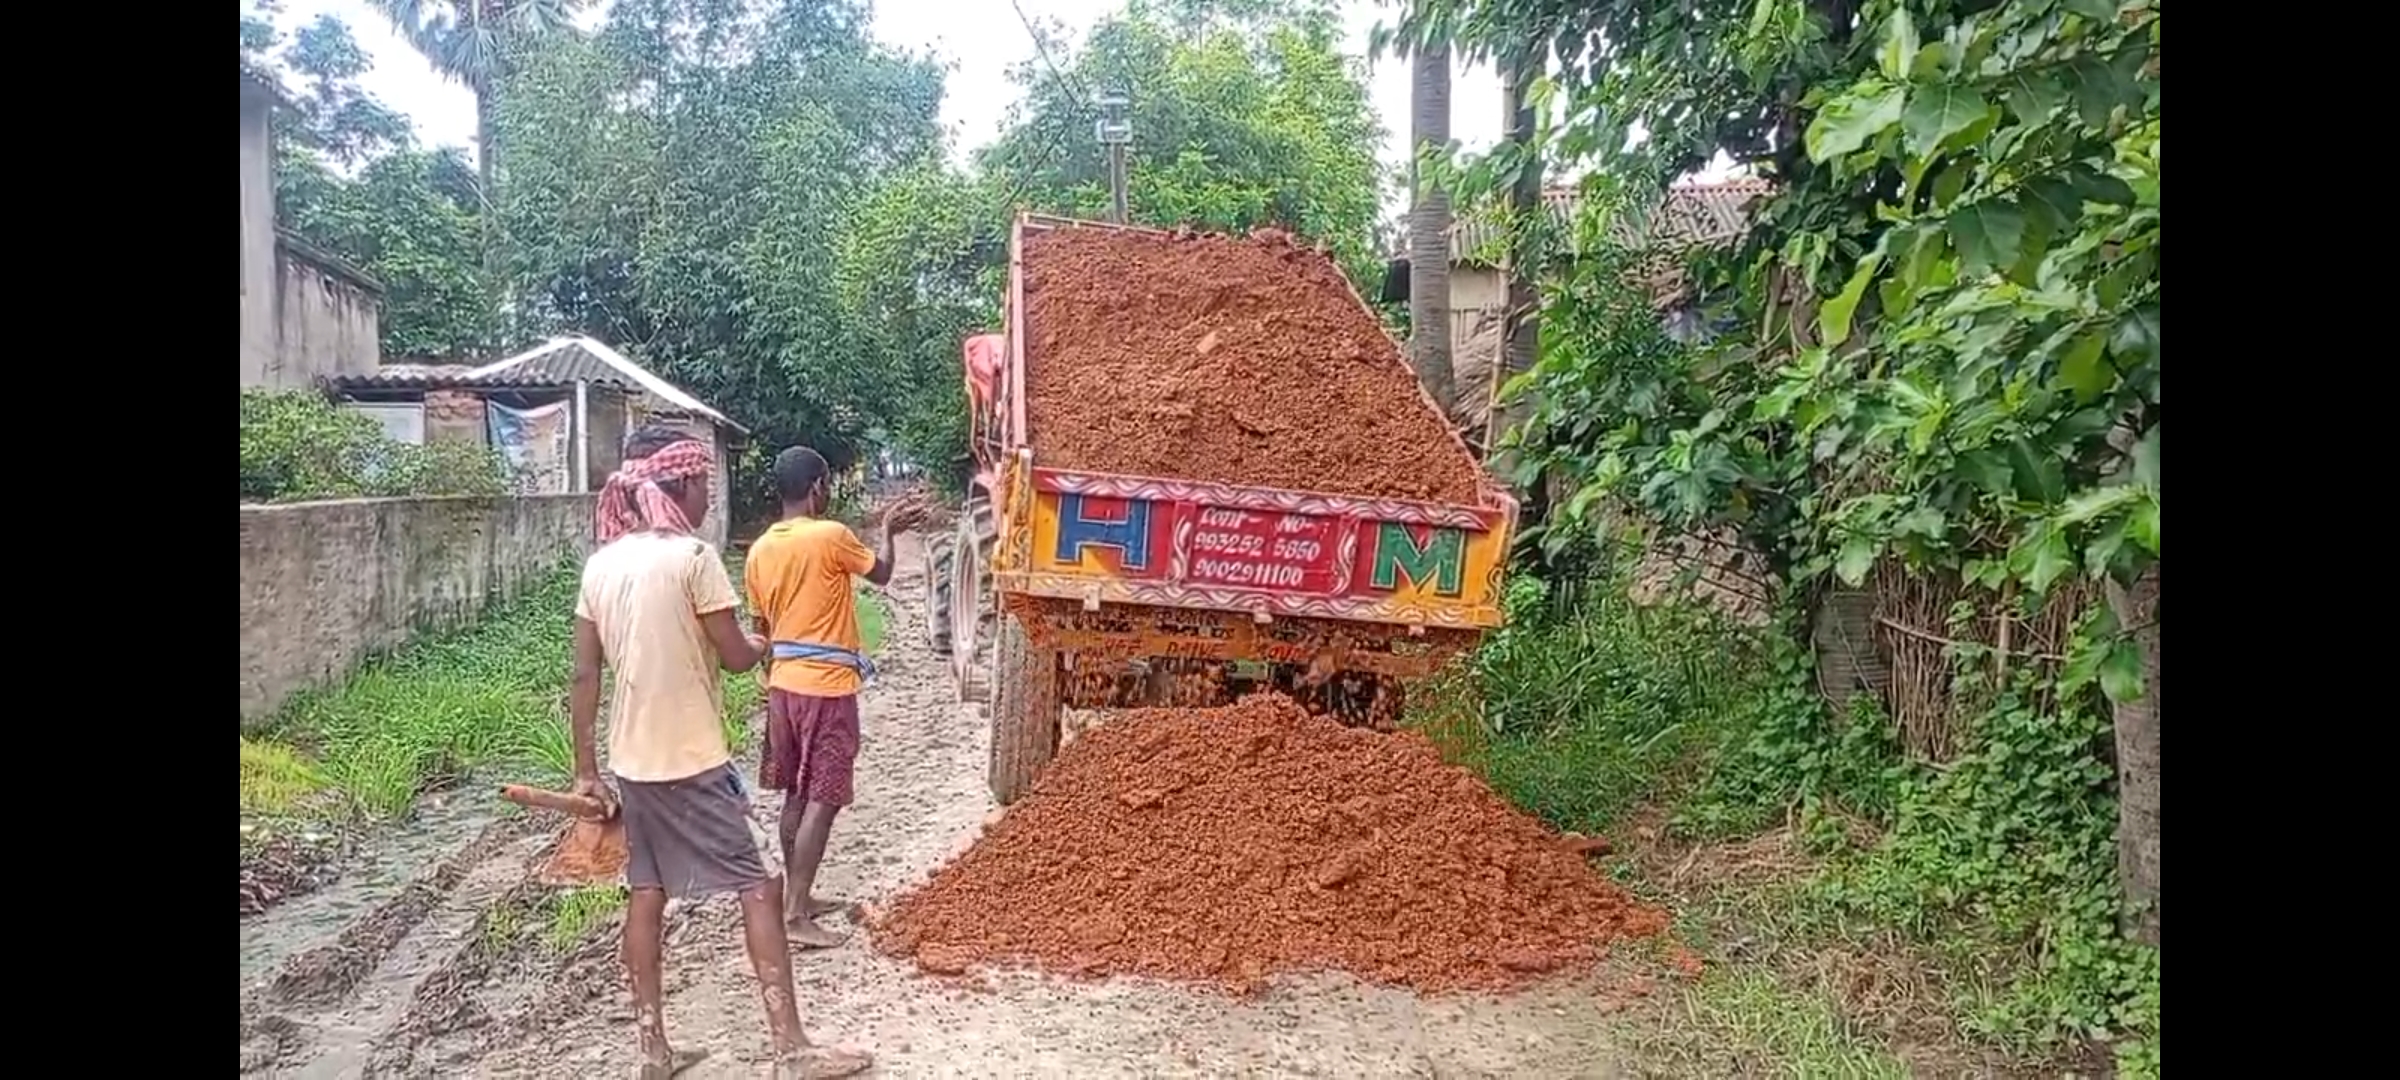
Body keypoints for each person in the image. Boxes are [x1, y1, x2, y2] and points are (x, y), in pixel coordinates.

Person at [568, 438, 871, 1079]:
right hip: (695, 760)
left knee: (646, 893)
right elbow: (735, 656)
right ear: (675, 488)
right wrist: (765, 641)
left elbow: (584, 675)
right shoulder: (693, 559)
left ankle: (653, 1052)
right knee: (762, 886)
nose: (709, 496)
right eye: (702, 484)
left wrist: (587, 770)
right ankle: (791, 1050)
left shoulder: (601, 566)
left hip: (632, 762)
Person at [744, 446, 927, 948]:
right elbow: (883, 575)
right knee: (823, 800)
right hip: (827, 690)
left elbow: (761, 628)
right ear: (818, 487)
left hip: (783, 689)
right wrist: (888, 530)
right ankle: (797, 914)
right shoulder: (831, 537)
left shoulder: (760, 550)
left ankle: (795, 897)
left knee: (795, 796)